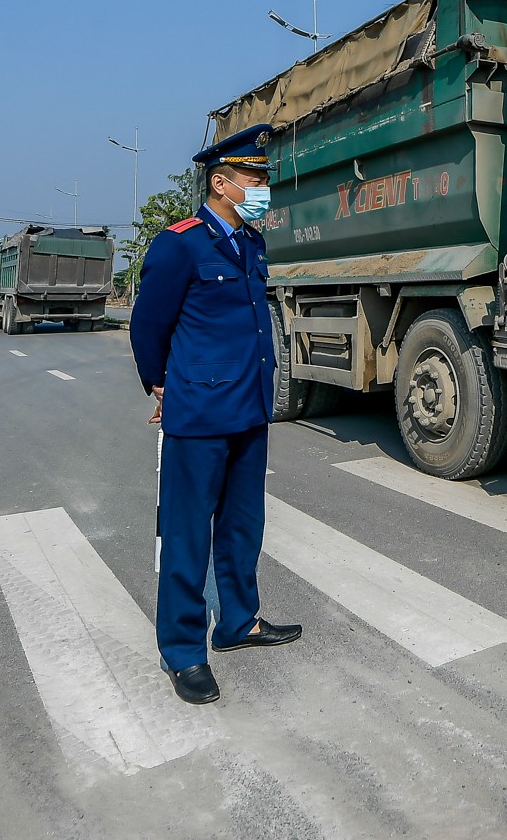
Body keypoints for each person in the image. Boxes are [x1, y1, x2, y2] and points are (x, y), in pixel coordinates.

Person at [129, 124, 301, 705]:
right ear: (221, 182)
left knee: (241, 527)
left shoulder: (250, 243)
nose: (262, 187)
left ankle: (238, 621)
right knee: (186, 535)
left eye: (263, 178)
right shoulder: (180, 243)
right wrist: (160, 384)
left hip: (249, 407)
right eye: (253, 178)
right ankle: (182, 650)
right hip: (198, 411)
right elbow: (148, 325)